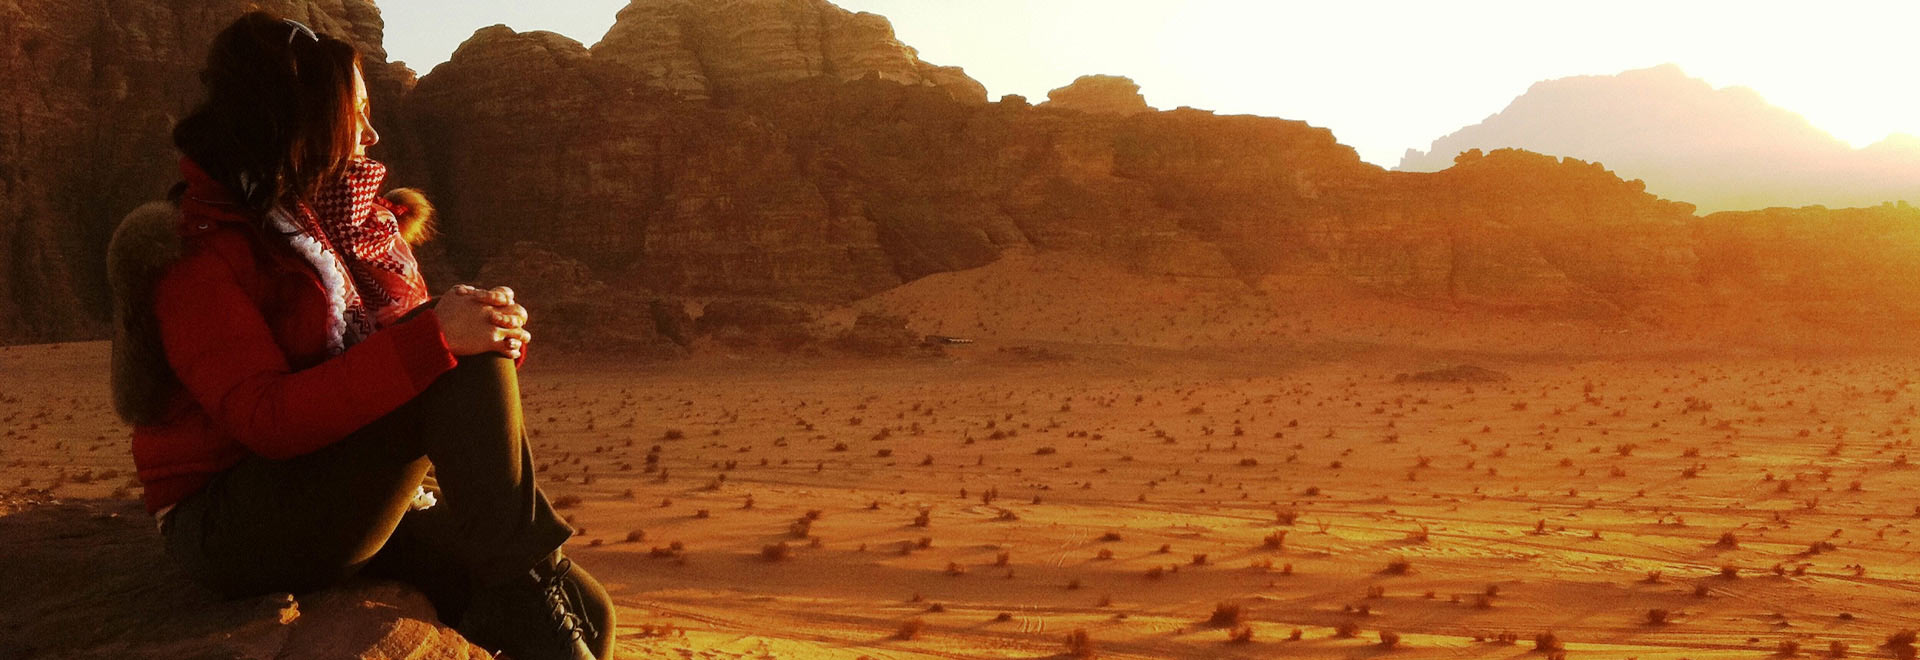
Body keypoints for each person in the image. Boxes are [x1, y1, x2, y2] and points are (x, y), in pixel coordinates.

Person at [105, 11, 613, 660]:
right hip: (229, 520)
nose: (372, 134)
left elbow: (399, 350)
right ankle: (534, 592)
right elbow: (266, 418)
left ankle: (536, 585)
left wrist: (483, 325)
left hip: (329, 485)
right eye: (357, 113)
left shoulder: (340, 223)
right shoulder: (194, 248)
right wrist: (442, 337)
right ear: (300, 119)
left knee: (589, 611)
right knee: (451, 350)